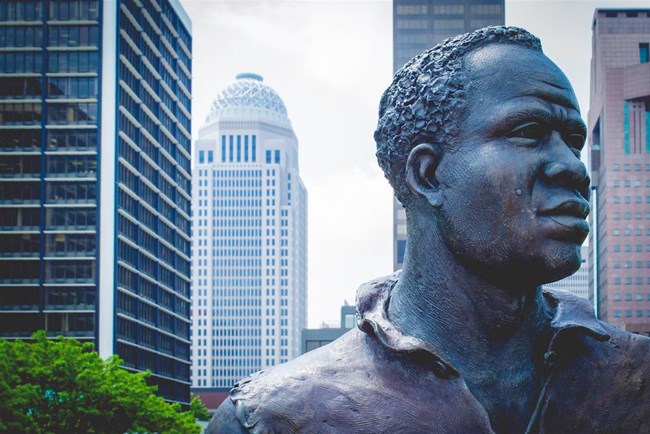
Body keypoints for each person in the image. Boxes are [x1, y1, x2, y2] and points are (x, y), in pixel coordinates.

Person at [208, 26, 650, 433]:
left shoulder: (638, 377)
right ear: (429, 174)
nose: (574, 168)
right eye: (529, 131)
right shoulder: (269, 417)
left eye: (573, 143)